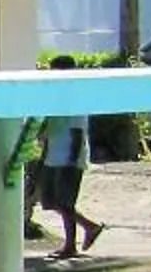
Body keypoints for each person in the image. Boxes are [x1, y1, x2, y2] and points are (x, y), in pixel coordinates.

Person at [36, 55, 105, 258]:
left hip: (68, 159)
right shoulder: (56, 98)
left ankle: (71, 244)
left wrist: (72, 160)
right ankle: (88, 227)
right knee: (49, 200)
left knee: (65, 202)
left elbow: (77, 132)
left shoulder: (75, 97)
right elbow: (48, 128)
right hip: (53, 156)